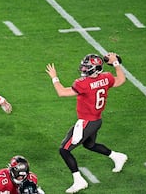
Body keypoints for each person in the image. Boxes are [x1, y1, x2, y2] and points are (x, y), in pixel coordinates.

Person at [45, 53, 128, 193]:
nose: (83, 69)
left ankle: (79, 181)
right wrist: (115, 63)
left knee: (64, 150)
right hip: (96, 120)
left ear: (94, 69)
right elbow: (120, 80)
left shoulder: (83, 84)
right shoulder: (106, 77)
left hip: (86, 122)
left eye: (87, 67)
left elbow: (62, 92)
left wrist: (54, 77)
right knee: (89, 145)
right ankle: (117, 156)